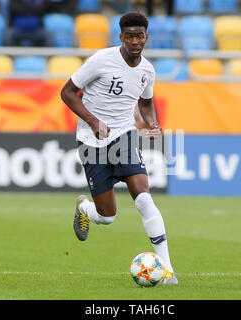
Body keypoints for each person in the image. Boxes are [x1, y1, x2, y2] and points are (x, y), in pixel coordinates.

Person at [60, 12, 177, 285]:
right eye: (130, 36)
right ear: (121, 37)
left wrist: (152, 122)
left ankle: (168, 270)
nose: (136, 41)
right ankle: (85, 209)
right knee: (107, 216)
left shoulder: (148, 70)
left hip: (124, 135)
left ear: (146, 37)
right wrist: (92, 121)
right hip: (91, 140)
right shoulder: (102, 59)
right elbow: (67, 92)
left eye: (140, 36)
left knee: (144, 197)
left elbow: (146, 102)